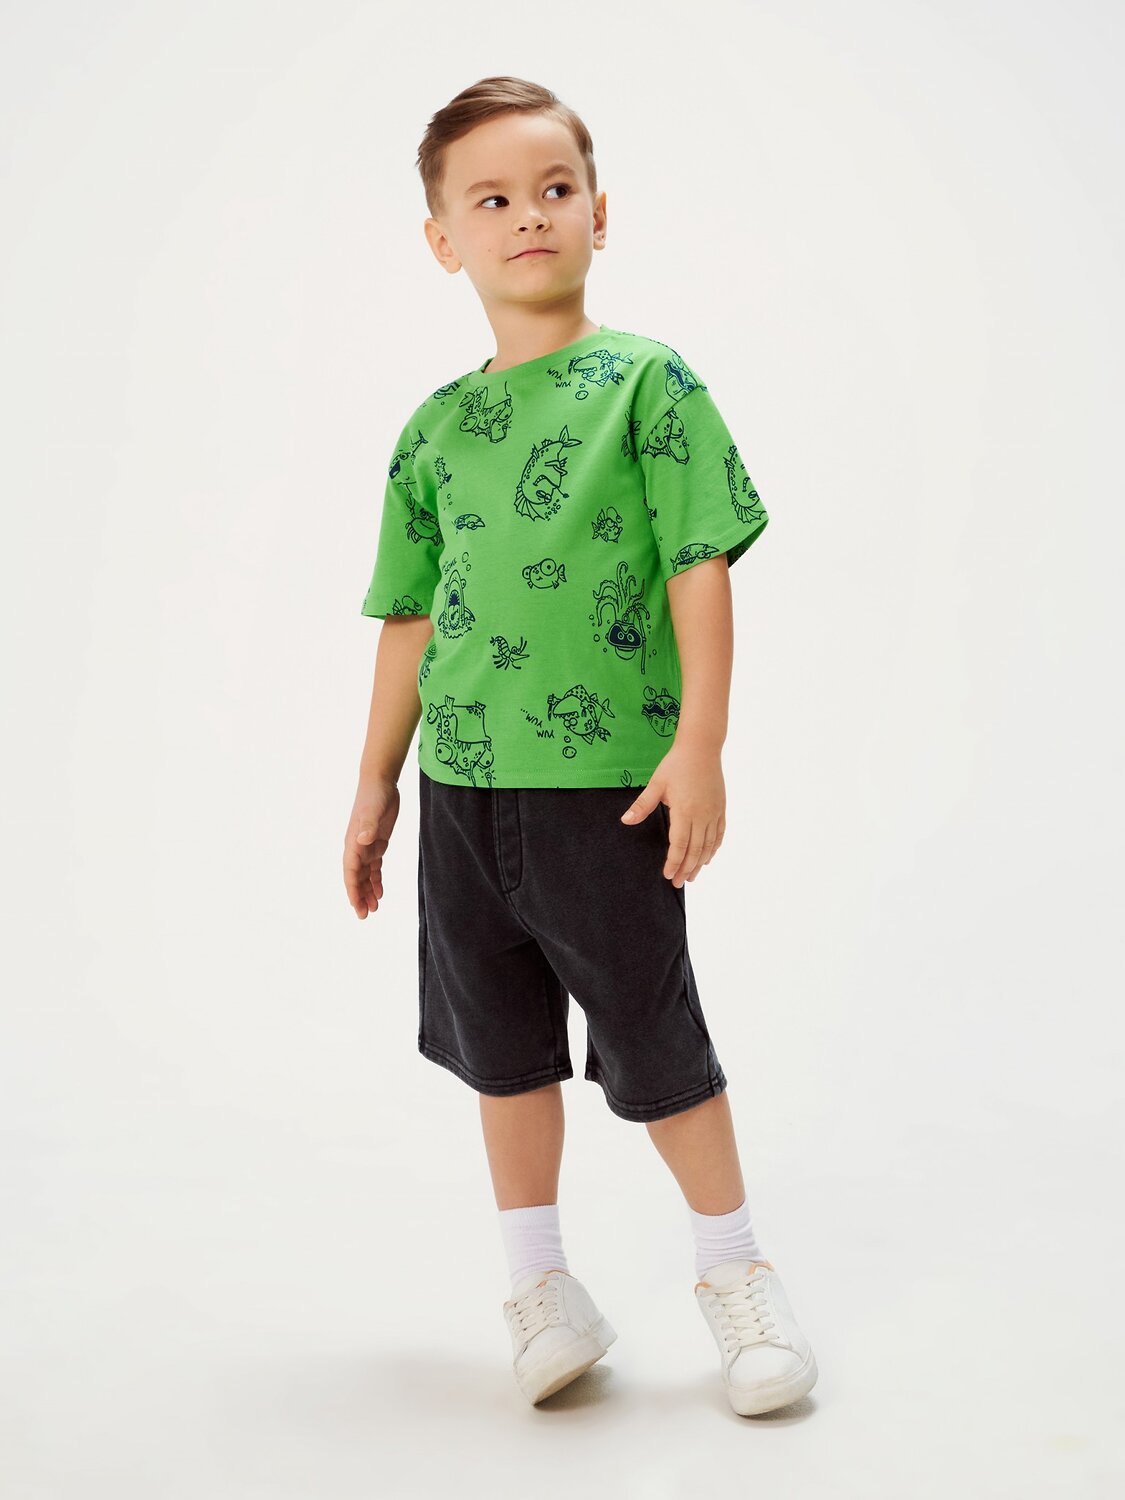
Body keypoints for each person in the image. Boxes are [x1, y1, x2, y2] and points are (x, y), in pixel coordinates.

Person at [343, 75, 818, 1416]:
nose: (528, 216)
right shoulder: (434, 430)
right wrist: (373, 779)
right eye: (491, 199)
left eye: (554, 190)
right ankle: (540, 1287)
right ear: (443, 239)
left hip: (605, 785)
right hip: (460, 789)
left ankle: (736, 1270)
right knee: (501, 1048)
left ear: (599, 213)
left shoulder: (648, 385)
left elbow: (698, 561)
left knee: (654, 1041)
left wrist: (700, 744)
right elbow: (410, 615)